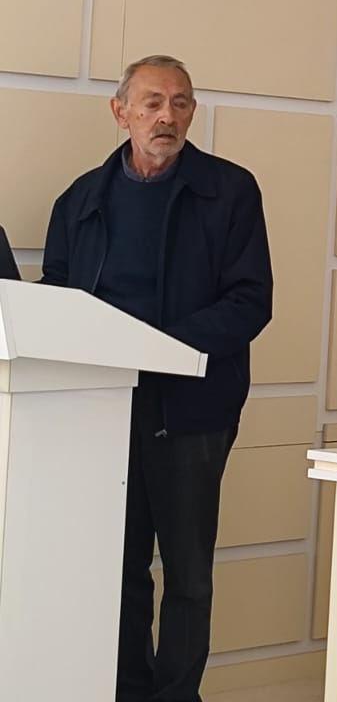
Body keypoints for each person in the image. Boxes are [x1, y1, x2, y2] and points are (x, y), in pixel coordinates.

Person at [41, 54, 273, 702]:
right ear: (121, 113)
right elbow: (59, 293)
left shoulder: (229, 191)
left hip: (192, 409)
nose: (166, 116)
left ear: (192, 112)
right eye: (151, 102)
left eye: (180, 102)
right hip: (103, 408)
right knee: (118, 566)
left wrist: (160, 346)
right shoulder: (80, 200)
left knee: (188, 574)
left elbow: (250, 300)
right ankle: (126, 690)